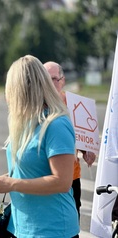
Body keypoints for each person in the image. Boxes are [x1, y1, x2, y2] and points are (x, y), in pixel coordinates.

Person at [0, 55, 80, 237]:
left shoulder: (56, 124)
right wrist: (0, 180)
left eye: (9, 88)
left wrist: (11, 183)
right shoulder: (25, 122)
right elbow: (31, 170)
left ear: (22, 89)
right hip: (20, 228)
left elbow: (62, 181)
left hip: (53, 230)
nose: (7, 95)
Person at [43, 61, 96, 219]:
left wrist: (88, 151)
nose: (50, 83)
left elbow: (84, 136)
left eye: (54, 79)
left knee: (71, 222)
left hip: (71, 177)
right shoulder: (37, 104)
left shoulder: (75, 105)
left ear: (63, 80)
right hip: (43, 176)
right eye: (46, 79)